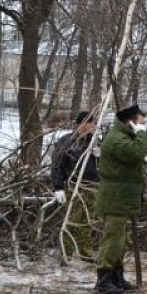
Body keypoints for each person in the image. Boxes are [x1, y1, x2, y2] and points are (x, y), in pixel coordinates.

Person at [94, 105, 147, 294]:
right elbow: (135, 153)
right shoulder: (117, 138)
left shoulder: (123, 136)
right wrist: (141, 135)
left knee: (120, 240)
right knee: (112, 239)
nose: (144, 123)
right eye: (141, 119)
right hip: (115, 197)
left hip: (121, 196)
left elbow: (134, 155)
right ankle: (103, 279)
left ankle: (116, 277)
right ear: (131, 121)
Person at [51, 110, 101, 262]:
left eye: (93, 123)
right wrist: (58, 187)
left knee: (87, 221)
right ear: (82, 124)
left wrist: (100, 155)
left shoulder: (94, 141)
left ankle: (85, 252)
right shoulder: (67, 142)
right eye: (90, 123)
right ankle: (66, 253)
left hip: (92, 186)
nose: (93, 126)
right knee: (72, 220)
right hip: (74, 185)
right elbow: (57, 165)